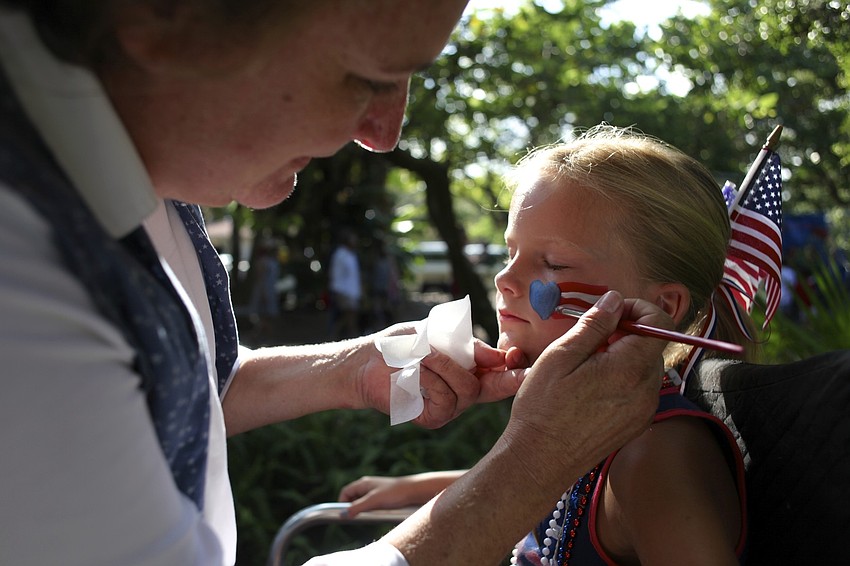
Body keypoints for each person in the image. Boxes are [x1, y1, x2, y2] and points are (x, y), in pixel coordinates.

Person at [0, 3, 669, 565]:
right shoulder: (21, 277)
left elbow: (183, 389)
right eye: (366, 76)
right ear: (163, 17)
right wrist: (534, 464)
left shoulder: (147, 150)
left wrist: (349, 368)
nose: (385, 134)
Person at [338, 125, 750, 564]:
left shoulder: (655, 457)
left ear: (660, 305)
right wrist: (423, 487)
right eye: (510, 251)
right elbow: (561, 489)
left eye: (552, 263)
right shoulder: (585, 417)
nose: (504, 279)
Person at [328, 229, 363, 339]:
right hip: (343, 291)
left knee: (350, 316)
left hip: (352, 292)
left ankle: (340, 337)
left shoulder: (352, 255)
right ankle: (336, 336)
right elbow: (336, 274)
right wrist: (337, 291)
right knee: (348, 316)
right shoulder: (340, 254)